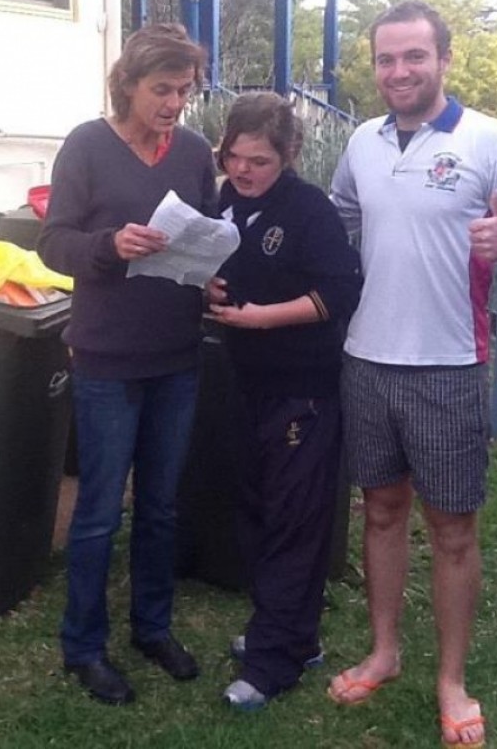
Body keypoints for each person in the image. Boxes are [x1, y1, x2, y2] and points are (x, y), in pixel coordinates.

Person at [328, 0, 497, 748]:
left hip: (448, 365)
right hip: (366, 359)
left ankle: (452, 680)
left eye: (414, 56)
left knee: (452, 530)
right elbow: (340, 216)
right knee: (380, 512)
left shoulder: (490, 141)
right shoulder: (360, 142)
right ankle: (384, 652)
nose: (399, 71)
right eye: (386, 59)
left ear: (444, 59)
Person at [37, 22, 217, 706]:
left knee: (163, 508)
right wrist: (112, 244)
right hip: (108, 358)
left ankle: (153, 628)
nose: (173, 103)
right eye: (160, 90)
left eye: (183, 90)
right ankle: (83, 647)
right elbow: (54, 243)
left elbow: (205, 233)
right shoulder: (87, 145)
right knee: (98, 514)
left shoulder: (195, 152)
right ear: (128, 85)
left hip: (177, 353)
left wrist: (212, 274)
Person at [206, 92, 362, 710]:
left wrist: (263, 318)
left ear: (290, 155)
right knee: (260, 511)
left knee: (294, 524)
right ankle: (295, 635)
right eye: (234, 157)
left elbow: (340, 292)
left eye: (259, 161)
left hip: (303, 389)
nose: (243, 171)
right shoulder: (226, 203)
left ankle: (273, 665)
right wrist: (212, 286)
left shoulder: (309, 211)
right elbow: (227, 273)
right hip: (247, 384)